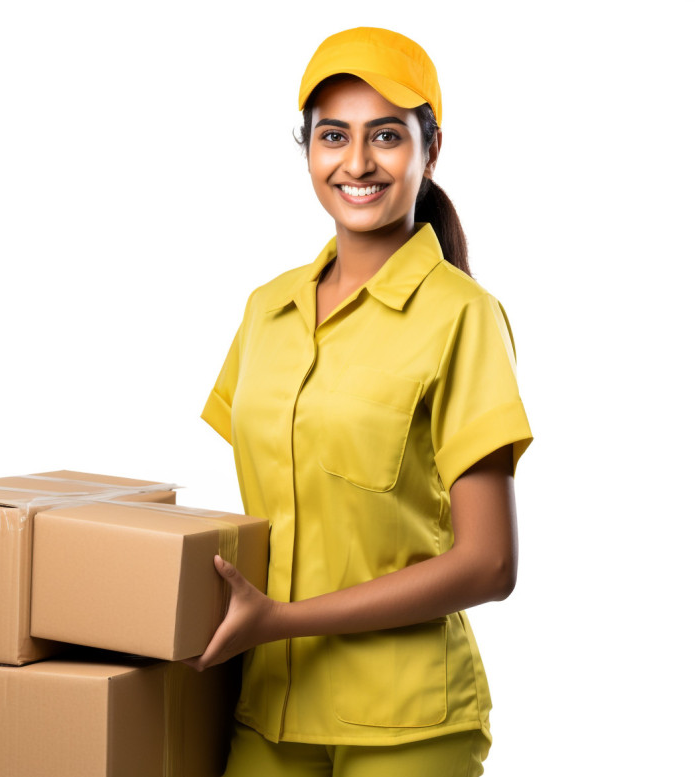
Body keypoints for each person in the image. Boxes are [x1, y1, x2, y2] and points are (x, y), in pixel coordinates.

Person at [190, 27, 533, 777]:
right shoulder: (266, 310)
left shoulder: (462, 316)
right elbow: (277, 510)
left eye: (386, 136)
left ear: (430, 149)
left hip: (408, 723)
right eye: (332, 136)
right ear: (306, 148)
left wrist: (282, 619)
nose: (356, 162)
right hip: (269, 704)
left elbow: (490, 561)